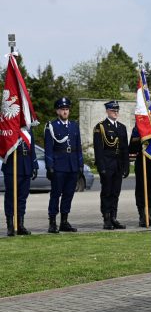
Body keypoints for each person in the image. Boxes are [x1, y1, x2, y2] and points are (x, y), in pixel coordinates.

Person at [44, 97, 83, 234]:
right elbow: (48, 148)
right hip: (59, 165)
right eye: (62, 109)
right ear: (57, 111)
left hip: (72, 164)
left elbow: (78, 147)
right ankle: (52, 222)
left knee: (68, 194)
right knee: (56, 194)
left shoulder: (74, 125)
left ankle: (64, 221)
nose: (65, 112)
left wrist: (80, 165)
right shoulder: (52, 126)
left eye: (67, 109)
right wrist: (50, 166)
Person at [93, 101, 129, 230]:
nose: (116, 113)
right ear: (107, 111)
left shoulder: (122, 127)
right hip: (107, 165)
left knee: (115, 192)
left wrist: (126, 166)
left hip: (118, 165)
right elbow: (98, 150)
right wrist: (101, 167)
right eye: (113, 110)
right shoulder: (101, 127)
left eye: (117, 110)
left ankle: (114, 217)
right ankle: (106, 218)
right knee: (107, 192)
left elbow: (125, 149)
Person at [128, 121, 151, 227]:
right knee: (141, 190)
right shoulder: (138, 131)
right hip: (142, 164)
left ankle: (149, 215)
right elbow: (132, 149)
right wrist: (138, 135)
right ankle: (142, 217)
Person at [3, 134, 37, 236]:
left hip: (26, 165)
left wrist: (34, 165)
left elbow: (32, 147)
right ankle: (10, 226)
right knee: (10, 197)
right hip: (11, 165)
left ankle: (20, 225)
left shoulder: (28, 128)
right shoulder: (9, 127)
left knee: (22, 197)